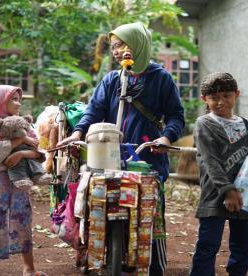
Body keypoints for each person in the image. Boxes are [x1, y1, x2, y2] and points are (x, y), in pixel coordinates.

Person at [58, 22, 185, 275]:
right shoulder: (111, 80)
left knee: (150, 211)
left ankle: (154, 266)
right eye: (114, 46)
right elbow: (93, 111)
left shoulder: (161, 78)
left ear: (138, 45)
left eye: (122, 45)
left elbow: (176, 116)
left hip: (146, 155)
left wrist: (166, 139)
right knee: (99, 204)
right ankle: (95, 256)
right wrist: (77, 133)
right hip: (107, 155)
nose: (116, 51)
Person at [190, 72, 248, 276]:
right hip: (216, 194)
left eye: (226, 95)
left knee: (243, 245)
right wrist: (227, 191)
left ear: (236, 94)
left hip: (247, 195)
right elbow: (211, 162)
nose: (220, 102)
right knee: (208, 245)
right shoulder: (204, 124)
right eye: (213, 97)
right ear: (204, 99)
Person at [0, 85, 46, 276]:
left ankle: (29, 269)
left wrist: (21, 153)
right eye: (12, 99)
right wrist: (21, 141)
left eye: (18, 98)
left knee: (23, 219)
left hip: (20, 180)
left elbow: (38, 152)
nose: (18, 103)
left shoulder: (23, 123)